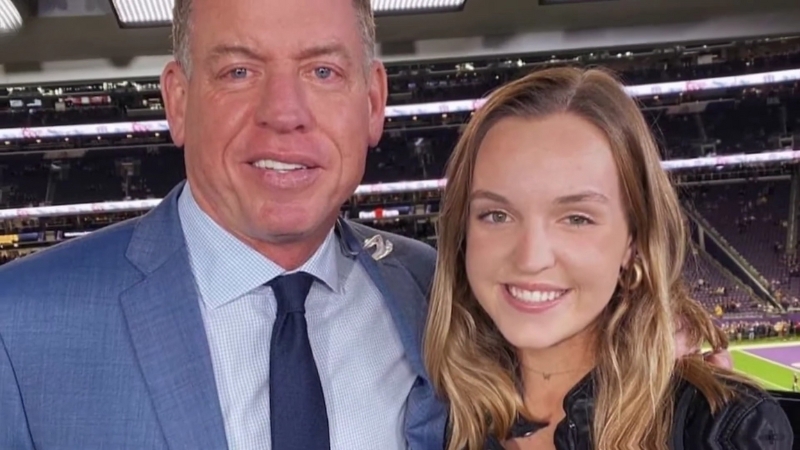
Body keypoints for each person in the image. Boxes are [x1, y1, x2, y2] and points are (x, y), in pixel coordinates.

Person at [0, 2, 731, 450]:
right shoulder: (21, 326)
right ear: (178, 98)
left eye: (323, 72)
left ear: (374, 100)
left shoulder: (431, 291)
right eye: (237, 72)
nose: (283, 113)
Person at [423, 67, 793, 450]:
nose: (531, 258)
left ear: (634, 238)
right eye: (496, 215)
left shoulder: (720, 431)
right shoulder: (432, 408)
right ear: (463, 232)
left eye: (576, 218)